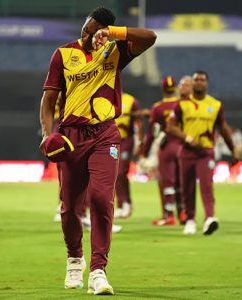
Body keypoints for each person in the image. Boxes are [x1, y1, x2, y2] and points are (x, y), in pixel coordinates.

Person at [39, 6, 156, 295]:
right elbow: (48, 98)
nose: (87, 35)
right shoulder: (63, 54)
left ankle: (98, 271)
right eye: (85, 29)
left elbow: (150, 37)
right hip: (71, 137)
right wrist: (46, 134)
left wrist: (113, 33)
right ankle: (74, 260)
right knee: (70, 208)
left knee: (102, 198)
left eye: (94, 31)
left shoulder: (115, 52)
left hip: (105, 134)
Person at [167, 70, 237, 235]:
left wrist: (233, 149)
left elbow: (224, 129)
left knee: (207, 185)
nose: (199, 82)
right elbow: (170, 126)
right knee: (187, 186)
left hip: (206, 151)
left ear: (207, 83)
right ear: (192, 83)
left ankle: (209, 218)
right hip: (187, 151)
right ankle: (190, 219)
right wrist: (187, 138)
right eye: (196, 79)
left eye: (202, 80)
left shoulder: (215, 105)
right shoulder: (181, 105)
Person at [142, 75, 187, 226]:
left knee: (167, 182)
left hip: (167, 147)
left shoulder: (157, 108)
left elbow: (151, 133)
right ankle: (183, 212)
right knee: (181, 181)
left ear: (162, 89)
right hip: (183, 146)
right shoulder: (183, 104)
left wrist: (144, 152)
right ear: (175, 88)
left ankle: (168, 215)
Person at [113, 92, 144, 218]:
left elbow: (138, 122)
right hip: (110, 142)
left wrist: (140, 141)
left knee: (120, 172)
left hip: (125, 141)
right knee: (114, 173)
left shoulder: (130, 101)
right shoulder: (104, 98)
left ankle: (124, 204)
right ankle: (123, 204)